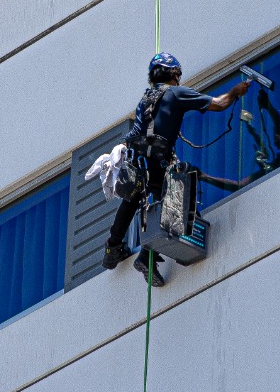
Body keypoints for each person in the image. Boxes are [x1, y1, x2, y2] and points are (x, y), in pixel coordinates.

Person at [103, 52, 251, 286]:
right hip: (159, 159)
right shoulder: (176, 93)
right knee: (178, 194)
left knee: (133, 198)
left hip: (139, 159)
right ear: (174, 73)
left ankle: (112, 250)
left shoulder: (145, 100)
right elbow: (219, 104)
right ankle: (147, 255)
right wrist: (234, 92)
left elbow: (141, 131)